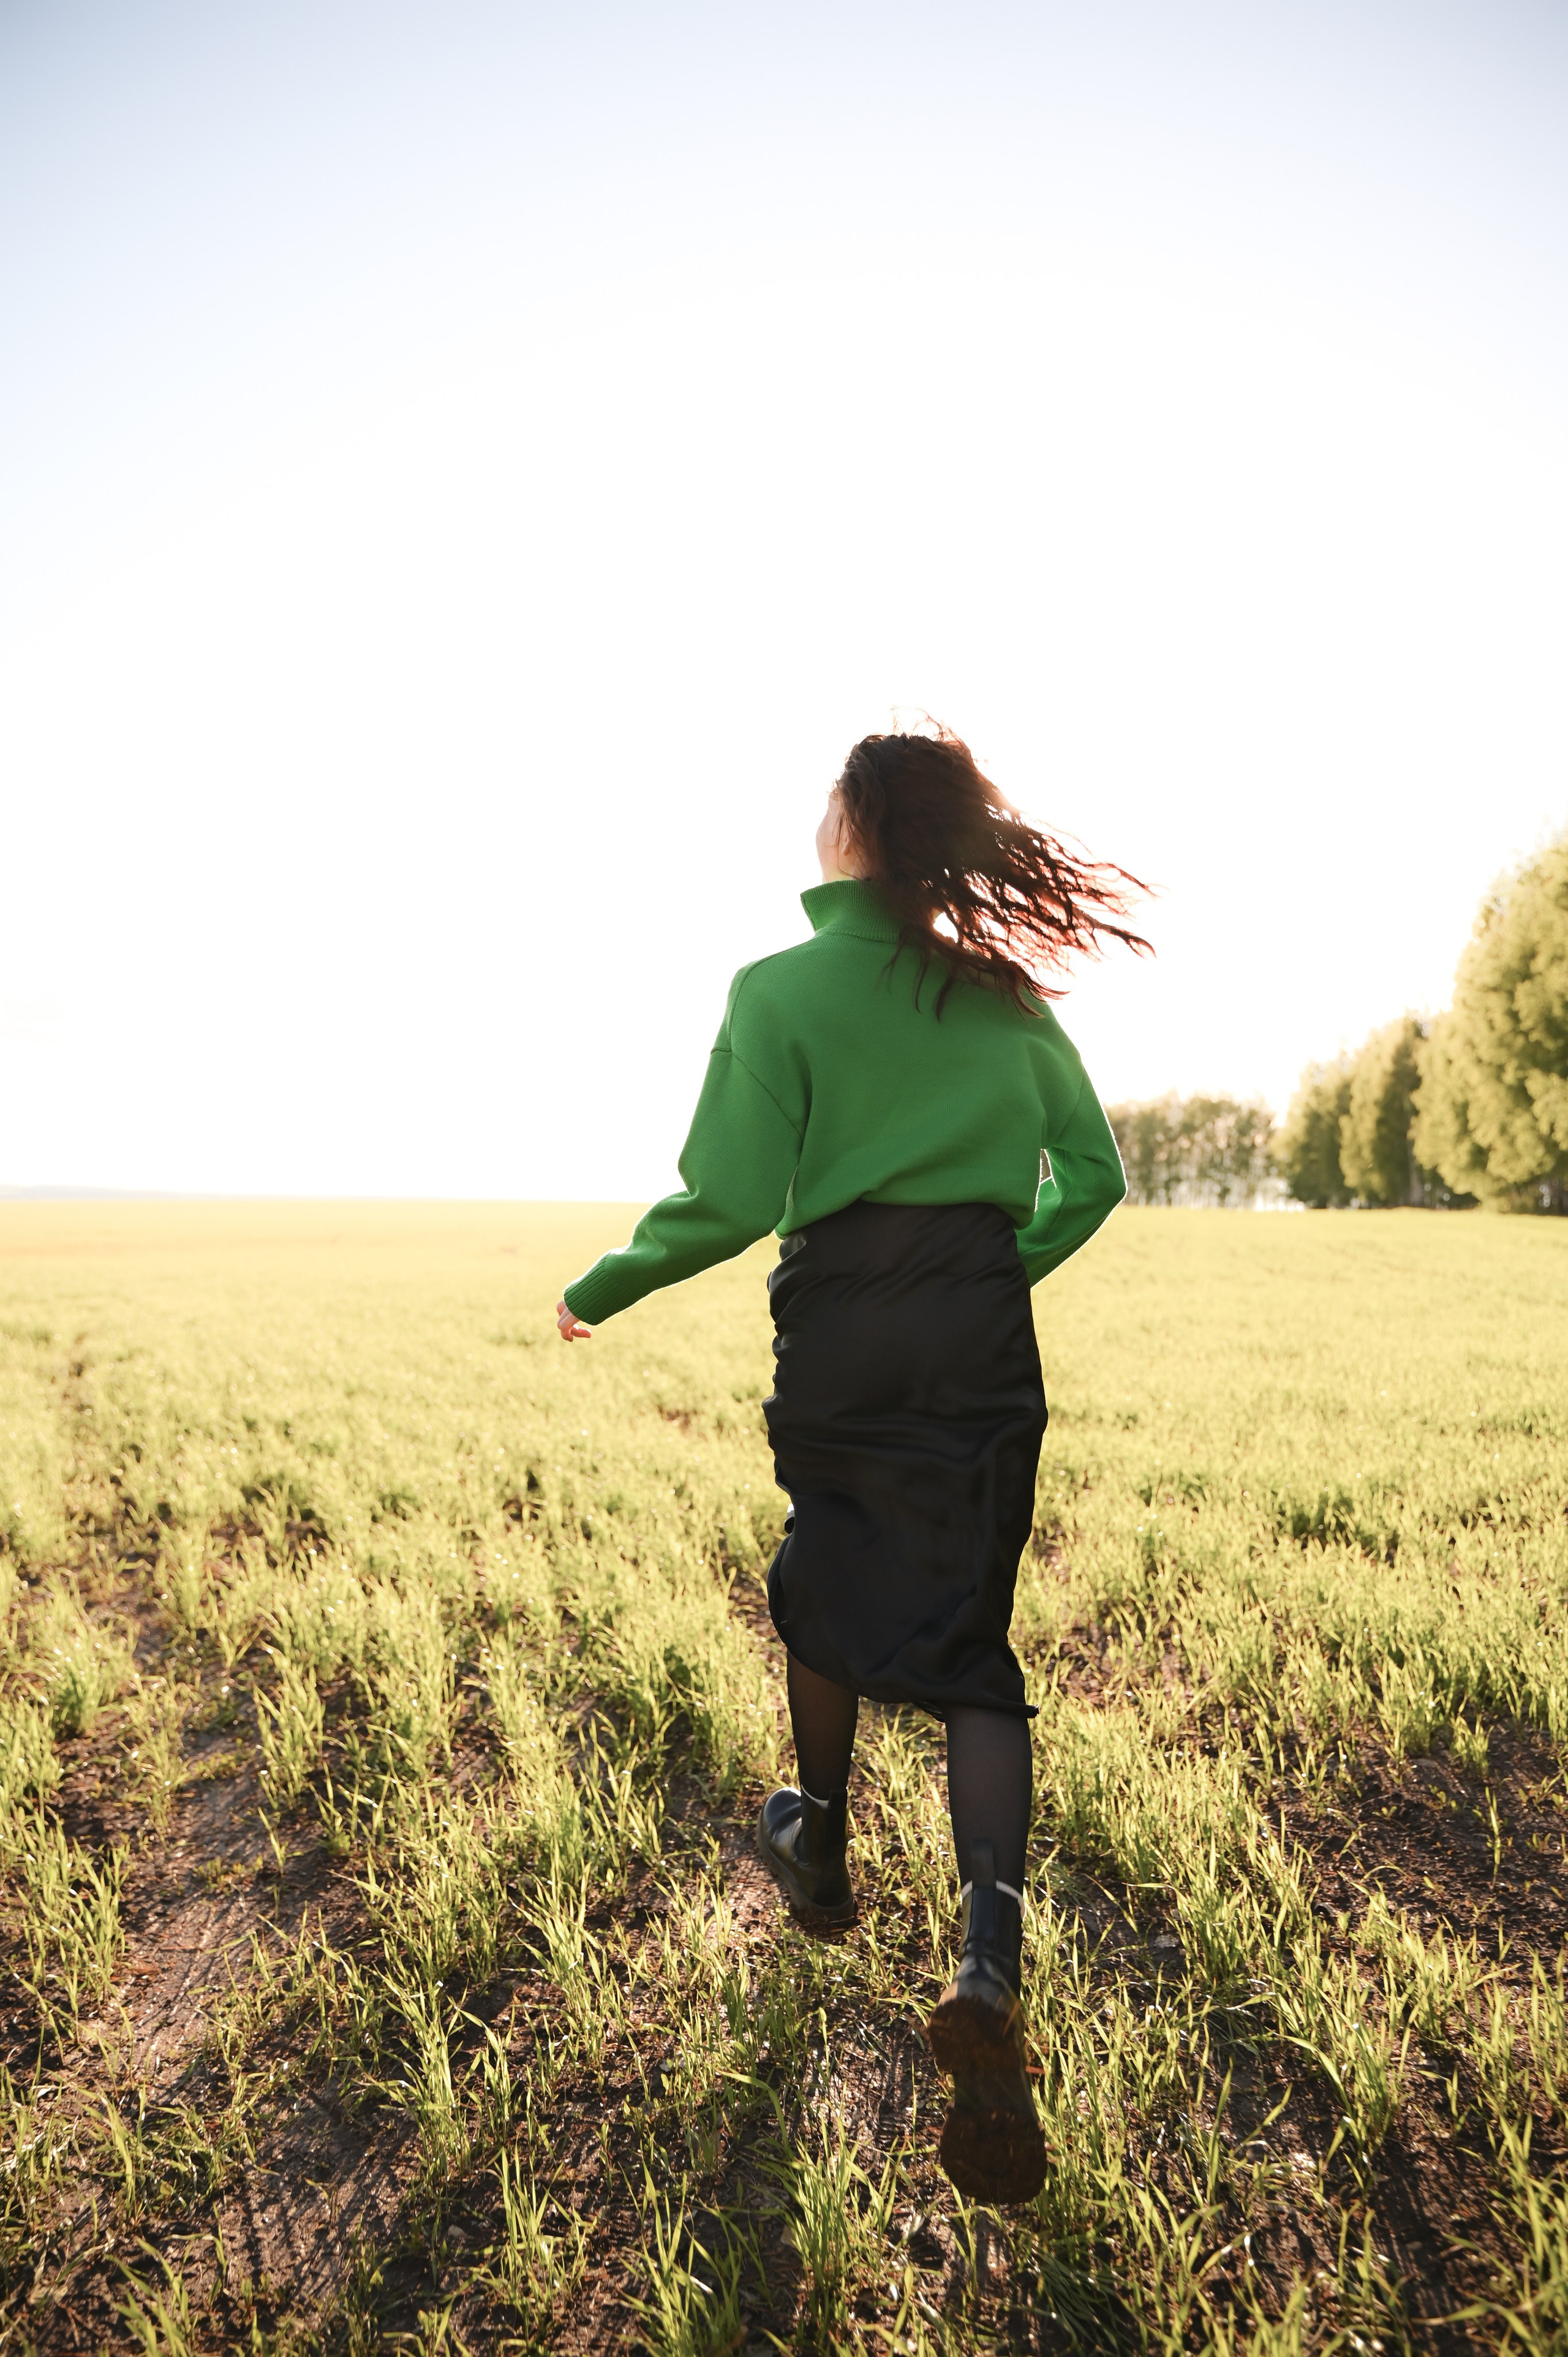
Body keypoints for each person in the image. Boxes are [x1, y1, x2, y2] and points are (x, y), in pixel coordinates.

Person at [555, 725, 1144, 2206]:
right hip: (973, 1328)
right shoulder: (1001, 995)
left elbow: (730, 1194)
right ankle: (988, 1952)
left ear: (854, 829)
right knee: (972, 1647)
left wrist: (605, 1284)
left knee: (822, 1585)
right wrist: (994, 1266)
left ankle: (818, 1854)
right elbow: (1096, 1175)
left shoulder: (776, 988)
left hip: (839, 1333)